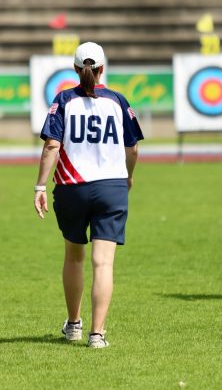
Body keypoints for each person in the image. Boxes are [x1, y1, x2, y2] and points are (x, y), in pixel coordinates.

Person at [34, 42, 143, 348]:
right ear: (102, 69)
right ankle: (97, 334)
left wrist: (40, 186)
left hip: (72, 188)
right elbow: (132, 147)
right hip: (112, 186)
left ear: (75, 70)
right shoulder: (118, 101)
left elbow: (52, 146)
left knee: (74, 255)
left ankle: (73, 324)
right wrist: (129, 175)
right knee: (103, 263)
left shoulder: (63, 100)